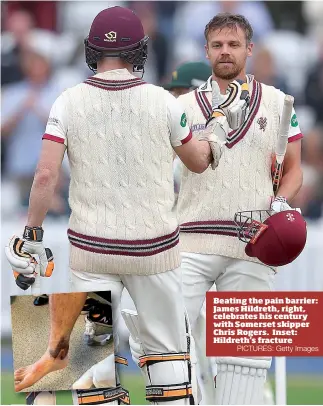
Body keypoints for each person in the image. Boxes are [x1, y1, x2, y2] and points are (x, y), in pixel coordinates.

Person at [5, 6, 222, 405]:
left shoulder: (67, 101)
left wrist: (32, 235)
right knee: (169, 362)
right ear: (138, 50)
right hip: (155, 252)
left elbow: (45, 177)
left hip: (93, 254)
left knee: (94, 374)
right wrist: (214, 137)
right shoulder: (164, 102)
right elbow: (198, 162)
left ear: (92, 51)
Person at [175, 13, 304, 405]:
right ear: (206, 50)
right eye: (217, 45)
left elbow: (294, 170)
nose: (225, 52)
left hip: (254, 241)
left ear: (250, 49)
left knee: (244, 360)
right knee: (167, 341)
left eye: (233, 45)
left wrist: (280, 201)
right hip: (191, 239)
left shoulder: (280, 103)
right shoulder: (183, 105)